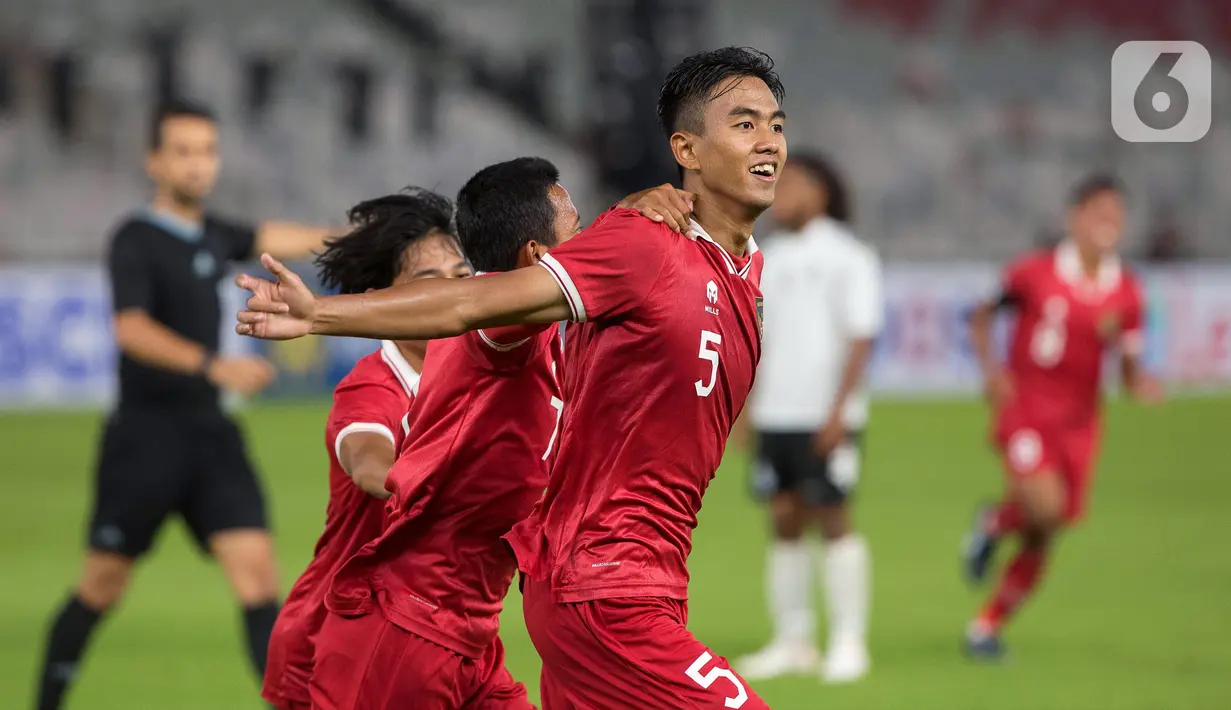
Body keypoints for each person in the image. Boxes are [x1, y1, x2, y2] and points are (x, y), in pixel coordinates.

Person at [234, 46, 783, 709]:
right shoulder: (498, 333)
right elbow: (468, 308)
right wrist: (318, 313)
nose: (770, 140)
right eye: (745, 122)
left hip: (488, 626)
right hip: (418, 619)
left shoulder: (675, 293)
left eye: (776, 124)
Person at [32, 98, 339, 710]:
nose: (199, 165)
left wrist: (360, 236)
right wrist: (211, 364)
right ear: (155, 160)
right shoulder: (136, 239)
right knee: (102, 586)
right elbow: (131, 330)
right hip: (145, 437)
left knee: (258, 579)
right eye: (184, 151)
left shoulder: (213, 232)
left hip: (209, 434)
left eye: (207, 151)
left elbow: (275, 236)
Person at [262, 188, 473, 710]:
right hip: (339, 640)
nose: (451, 294)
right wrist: (442, 484)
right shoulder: (372, 387)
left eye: (462, 277)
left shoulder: (485, 372)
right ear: (385, 302)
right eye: (428, 282)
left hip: (443, 636)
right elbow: (368, 461)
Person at [962, 174, 1163, 660]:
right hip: (1028, 410)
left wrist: (1141, 384)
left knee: (1044, 531)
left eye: (1115, 213)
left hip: (1080, 423)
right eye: (1098, 210)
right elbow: (982, 315)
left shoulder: (1126, 292)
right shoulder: (1033, 273)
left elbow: (1129, 364)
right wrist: (992, 372)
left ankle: (986, 627)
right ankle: (994, 521)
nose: (1107, 221)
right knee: (1045, 508)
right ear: (1075, 217)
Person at [738, 153, 881, 684]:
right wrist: (746, 410)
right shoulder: (766, 257)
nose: (782, 193)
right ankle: (793, 639)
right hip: (777, 412)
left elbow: (861, 337)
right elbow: (756, 342)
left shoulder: (849, 256)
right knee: (783, 520)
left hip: (825, 416)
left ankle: (848, 639)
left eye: (793, 183)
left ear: (822, 191)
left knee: (833, 517)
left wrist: (841, 409)